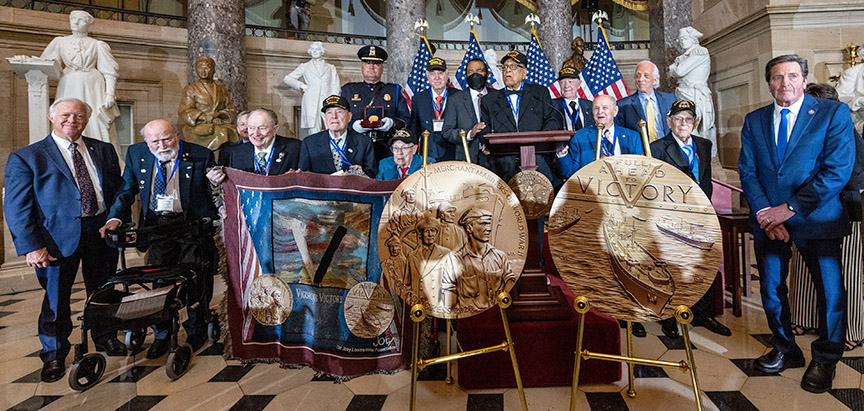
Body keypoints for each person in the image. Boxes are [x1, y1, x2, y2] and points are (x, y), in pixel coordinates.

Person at [739, 54, 855, 393]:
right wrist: (765, 214)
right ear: (769, 83)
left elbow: (836, 171)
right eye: (777, 77)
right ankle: (785, 348)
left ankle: (826, 358)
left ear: (804, 81)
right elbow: (748, 171)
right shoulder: (754, 120)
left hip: (818, 219)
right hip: (769, 223)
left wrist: (786, 210)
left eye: (792, 76)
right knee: (772, 289)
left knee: (830, 293)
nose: (784, 83)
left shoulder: (833, 114)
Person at [5, 98, 126, 383]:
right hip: (54, 239)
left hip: (99, 231)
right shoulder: (28, 157)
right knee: (56, 298)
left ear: (86, 120)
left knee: (104, 290)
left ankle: (106, 336)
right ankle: (54, 354)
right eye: (66, 115)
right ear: (52, 117)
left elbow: (119, 190)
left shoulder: (104, 150)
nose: (72, 120)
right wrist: (32, 246)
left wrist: (115, 219)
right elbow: (16, 207)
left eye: (79, 116)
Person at [101, 119, 219, 359]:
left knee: (194, 278)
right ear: (146, 141)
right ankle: (162, 333)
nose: (162, 145)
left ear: (177, 134)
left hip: (190, 226)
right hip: (156, 226)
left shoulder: (200, 154)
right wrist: (115, 219)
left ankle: (195, 329)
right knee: (159, 280)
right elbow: (126, 190)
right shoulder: (136, 154)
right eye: (155, 141)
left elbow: (212, 193)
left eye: (167, 138)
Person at [788, 83, 864, 351]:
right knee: (804, 271)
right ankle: (806, 318)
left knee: (845, 275)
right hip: (805, 212)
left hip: (842, 213)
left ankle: (850, 329)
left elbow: (853, 178)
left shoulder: (849, 135)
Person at [650, 99, 731, 337]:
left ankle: (703, 314)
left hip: (701, 214)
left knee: (702, 265)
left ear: (695, 122)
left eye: (688, 119)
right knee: (672, 267)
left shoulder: (704, 145)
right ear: (669, 122)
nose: (683, 123)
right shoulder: (657, 148)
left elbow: (705, 178)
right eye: (677, 118)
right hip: (672, 217)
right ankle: (669, 316)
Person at [33, 11, 121, 152]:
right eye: (73, 19)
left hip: (93, 84)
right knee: (67, 114)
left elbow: (110, 71)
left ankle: (98, 152)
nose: (76, 22)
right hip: (69, 81)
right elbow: (46, 63)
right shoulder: (60, 42)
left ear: (90, 25)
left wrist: (109, 93)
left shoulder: (97, 45)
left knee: (96, 120)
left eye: (81, 20)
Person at [478, 51, 562, 182]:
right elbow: (485, 126)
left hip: (537, 156)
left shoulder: (539, 93)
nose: (507, 71)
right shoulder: (490, 100)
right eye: (505, 67)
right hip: (503, 160)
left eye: (513, 66)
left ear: (524, 72)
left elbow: (552, 120)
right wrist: (486, 142)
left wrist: (541, 142)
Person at [341, 45, 410, 162]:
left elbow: (406, 119)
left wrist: (392, 123)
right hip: (357, 147)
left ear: (382, 68)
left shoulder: (394, 90)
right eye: (368, 63)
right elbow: (339, 118)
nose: (372, 67)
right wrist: (353, 125)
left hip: (387, 148)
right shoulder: (348, 90)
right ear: (362, 66)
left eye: (376, 64)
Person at [556, 94, 644, 179]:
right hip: (591, 189)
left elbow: (640, 169)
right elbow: (570, 172)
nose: (600, 112)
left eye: (605, 108)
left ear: (615, 111)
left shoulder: (633, 137)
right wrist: (562, 155)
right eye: (596, 108)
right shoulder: (580, 136)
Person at [207, 109, 301, 185]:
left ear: (275, 129)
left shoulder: (295, 148)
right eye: (251, 128)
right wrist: (215, 182)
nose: (256, 133)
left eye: (262, 128)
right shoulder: (236, 152)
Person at [299, 95, 377, 177]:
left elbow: (372, 173)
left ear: (349, 117)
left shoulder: (364, 142)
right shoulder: (310, 143)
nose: (334, 116)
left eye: (339, 112)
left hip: (351, 188)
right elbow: (303, 176)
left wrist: (362, 173)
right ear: (325, 117)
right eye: (329, 112)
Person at [454, 207, 515, 311]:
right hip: (468, 317)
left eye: (488, 224)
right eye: (483, 224)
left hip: (497, 313)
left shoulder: (500, 256)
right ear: (469, 228)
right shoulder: (456, 260)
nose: (488, 228)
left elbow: (510, 279)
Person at [668, 26, 716, 156]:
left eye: (685, 38)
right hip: (683, 93)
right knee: (682, 126)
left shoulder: (700, 51)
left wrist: (674, 68)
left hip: (696, 94)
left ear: (693, 39)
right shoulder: (683, 57)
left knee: (698, 128)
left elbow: (679, 71)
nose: (682, 41)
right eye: (680, 39)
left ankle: (703, 157)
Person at [178, 56, 238, 150]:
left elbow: (230, 109)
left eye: (206, 68)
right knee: (223, 132)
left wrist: (218, 115)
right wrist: (204, 117)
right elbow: (185, 110)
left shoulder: (221, 90)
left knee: (235, 131)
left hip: (219, 123)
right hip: (199, 125)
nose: (203, 71)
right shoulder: (191, 89)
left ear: (213, 70)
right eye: (200, 68)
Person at [442, 58, 493, 164]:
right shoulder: (456, 99)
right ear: (466, 76)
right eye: (471, 72)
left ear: (487, 74)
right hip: (467, 156)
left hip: (493, 157)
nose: (475, 75)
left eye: (479, 71)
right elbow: (447, 131)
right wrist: (470, 134)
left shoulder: (497, 96)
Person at [282, 42, 340, 133]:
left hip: (327, 100)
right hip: (311, 100)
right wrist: (302, 86)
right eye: (312, 49)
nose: (314, 51)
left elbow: (335, 85)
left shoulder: (330, 67)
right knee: (313, 129)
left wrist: (334, 99)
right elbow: (288, 78)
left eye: (317, 49)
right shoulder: (304, 66)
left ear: (322, 51)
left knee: (333, 126)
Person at [405, 214, 458, 311]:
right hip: (416, 307)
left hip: (437, 306)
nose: (430, 234)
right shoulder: (412, 255)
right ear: (420, 234)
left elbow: (452, 283)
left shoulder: (446, 253)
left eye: (433, 231)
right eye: (427, 231)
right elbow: (407, 284)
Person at [615, 61, 676, 142]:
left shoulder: (670, 99)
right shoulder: (622, 105)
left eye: (646, 76)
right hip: (640, 151)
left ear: (655, 80)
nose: (640, 79)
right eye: (638, 76)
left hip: (667, 148)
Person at [409, 57, 458, 161]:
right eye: (432, 74)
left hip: (454, 155)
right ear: (427, 77)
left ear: (447, 74)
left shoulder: (459, 96)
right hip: (428, 155)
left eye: (440, 73)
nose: (437, 77)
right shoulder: (418, 98)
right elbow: (414, 129)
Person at [552, 66, 595, 133]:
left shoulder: (590, 105)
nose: (566, 86)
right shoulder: (552, 106)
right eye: (562, 82)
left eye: (570, 82)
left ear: (579, 84)